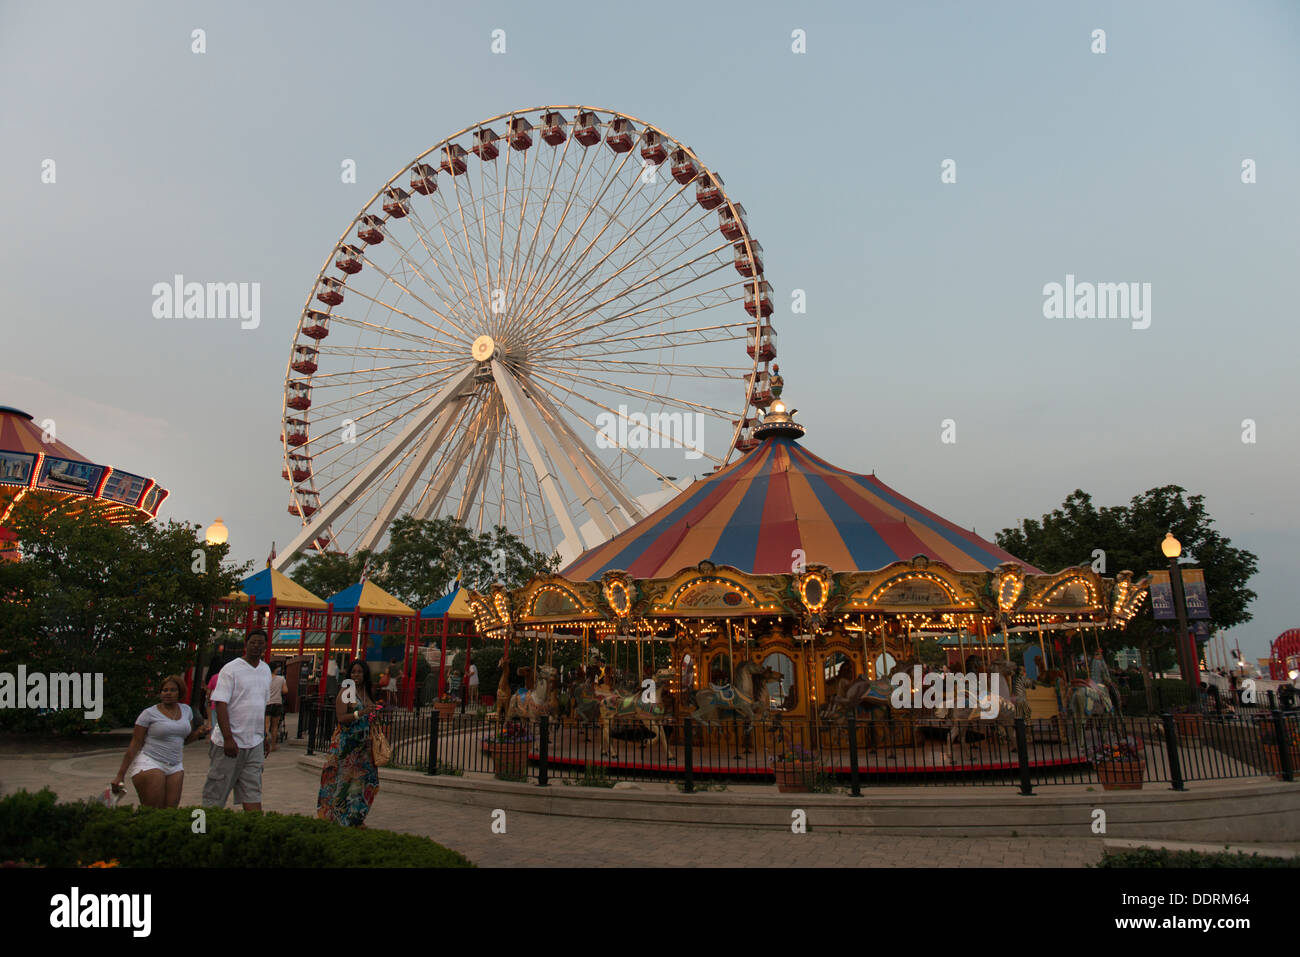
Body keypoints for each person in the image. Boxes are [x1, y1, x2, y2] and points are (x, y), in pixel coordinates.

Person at [112, 675, 209, 808]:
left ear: (180, 692)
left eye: (172, 690)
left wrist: (198, 733)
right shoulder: (148, 714)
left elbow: (183, 740)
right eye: (164, 690)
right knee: (153, 808)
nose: (168, 693)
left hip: (175, 765)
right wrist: (120, 775)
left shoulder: (187, 711)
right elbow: (135, 744)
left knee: (170, 809)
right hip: (151, 762)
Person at [202, 629, 273, 812]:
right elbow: (220, 703)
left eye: (260, 643)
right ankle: (200, 832)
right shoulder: (231, 669)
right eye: (253, 642)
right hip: (229, 741)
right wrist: (227, 738)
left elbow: (260, 706)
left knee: (253, 792)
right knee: (215, 794)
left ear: (266, 646)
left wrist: (264, 734)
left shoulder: (265, 670)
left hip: (254, 743)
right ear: (246, 645)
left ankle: (254, 834)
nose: (256, 646)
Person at [317, 659, 380, 827]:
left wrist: (373, 715)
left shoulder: (367, 692)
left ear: (365, 674)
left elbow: (369, 715)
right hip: (347, 746)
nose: (356, 675)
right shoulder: (347, 692)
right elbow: (341, 718)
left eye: (359, 672)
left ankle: (356, 817)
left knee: (365, 782)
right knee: (343, 782)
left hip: (364, 746)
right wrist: (360, 713)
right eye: (353, 672)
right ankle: (339, 818)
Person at [265, 664, 288, 752]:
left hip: (267, 702)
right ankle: (273, 745)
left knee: (266, 725)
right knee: (274, 726)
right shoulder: (281, 679)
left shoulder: (266, 678)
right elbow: (285, 690)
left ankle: (265, 742)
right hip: (277, 702)